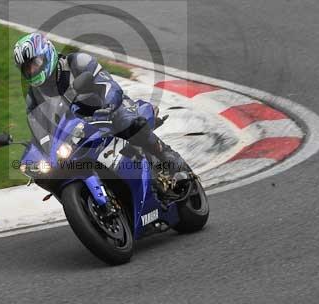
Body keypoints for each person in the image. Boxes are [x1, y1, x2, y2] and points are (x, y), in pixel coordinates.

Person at [13, 32, 192, 196]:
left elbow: (109, 86)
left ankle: (171, 161)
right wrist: (40, 150)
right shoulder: (34, 97)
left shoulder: (77, 63)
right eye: (27, 68)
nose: (33, 70)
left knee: (128, 123)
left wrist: (108, 106)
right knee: (55, 170)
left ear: (48, 53)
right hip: (79, 130)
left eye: (35, 63)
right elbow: (39, 127)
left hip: (109, 109)